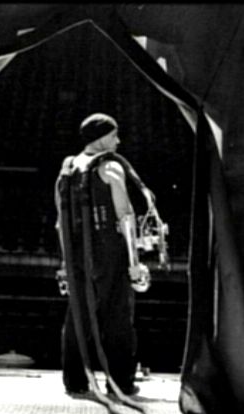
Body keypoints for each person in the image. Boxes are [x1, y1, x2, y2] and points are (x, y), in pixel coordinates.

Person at [55, 113, 148, 397]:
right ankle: (120, 382)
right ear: (102, 137)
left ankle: (75, 381)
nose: (118, 142)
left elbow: (60, 222)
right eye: (114, 135)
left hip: (77, 255)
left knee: (77, 316)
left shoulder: (66, 169)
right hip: (110, 254)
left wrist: (65, 265)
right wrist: (135, 263)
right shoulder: (111, 168)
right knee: (117, 317)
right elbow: (126, 218)